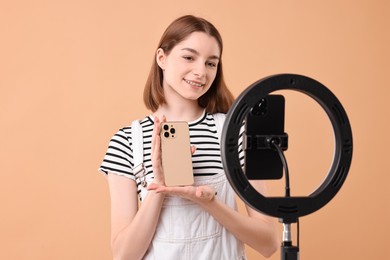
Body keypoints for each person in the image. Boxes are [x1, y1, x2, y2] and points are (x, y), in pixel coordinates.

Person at [99, 15, 279, 260]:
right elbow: (124, 256)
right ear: (162, 58)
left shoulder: (236, 133)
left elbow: (269, 242)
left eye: (211, 63)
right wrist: (159, 189)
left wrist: (208, 202)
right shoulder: (127, 141)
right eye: (189, 57)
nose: (200, 72)